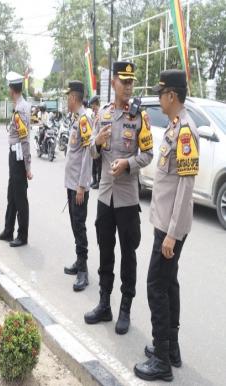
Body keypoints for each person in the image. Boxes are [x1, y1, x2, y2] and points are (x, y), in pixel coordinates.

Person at [134, 70, 198, 382]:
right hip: (166, 222)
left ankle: (161, 361)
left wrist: (171, 233)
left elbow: (186, 187)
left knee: (156, 286)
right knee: (168, 283)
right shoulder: (176, 125)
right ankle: (170, 347)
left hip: (171, 227)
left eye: (161, 94)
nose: (158, 100)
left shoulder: (185, 130)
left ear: (171, 95)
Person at [84, 62, 153, 335]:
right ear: (113, 83)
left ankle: (125, 308)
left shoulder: (139, 118)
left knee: (128, 254)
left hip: (126, 198)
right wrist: (97, 142)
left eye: (131, 82)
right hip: (104, 196)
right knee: (104, 250)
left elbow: (148, 155)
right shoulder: (102, 115)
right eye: (123, 81)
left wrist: (128, 164)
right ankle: (104, 304)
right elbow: (90, 151)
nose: (128, 86)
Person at [62, 81, 93, 291]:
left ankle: (83, 271)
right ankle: (78, 261)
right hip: (72, 184)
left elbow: (88, 154)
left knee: (79, 227)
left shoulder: (84, 120)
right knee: (75, 225)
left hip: (78, 186)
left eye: (67, 97)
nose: (66, 101)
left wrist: (82, 186)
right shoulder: (76, 119)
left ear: (74, 98)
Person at [0, 73, 32, 248]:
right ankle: (8, 229)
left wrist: (28, 165)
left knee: (20, 197)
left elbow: (24, 139)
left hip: (19, 158)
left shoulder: (21, 109)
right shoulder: (19, 105)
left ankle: (22, 235)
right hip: (14, 155)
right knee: (12, 195)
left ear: (12, 89)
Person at [89, 95, 102, 189]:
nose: (92, 108)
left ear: (96, 104)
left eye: (93, 106)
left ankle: (99, 181)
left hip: (100, 143)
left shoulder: (101, 113)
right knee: (94, 162)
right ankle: (94, 180)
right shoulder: (94, 114)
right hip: (93, 141)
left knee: (99, 164)